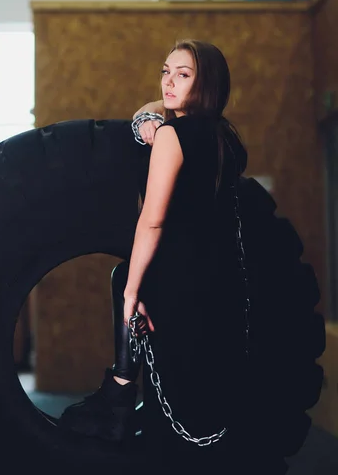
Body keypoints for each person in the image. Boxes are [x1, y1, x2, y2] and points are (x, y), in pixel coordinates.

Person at [58, 39, 289, 474]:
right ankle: (122, 396)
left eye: (183, 75)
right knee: (202, 394)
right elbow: (174, 112)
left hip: (179, 279)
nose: (168, 81)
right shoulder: (226, 139)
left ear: (206, 84)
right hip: (220, 281)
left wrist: (132, 292)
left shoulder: (172, 136)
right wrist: (150, 112)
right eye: (165, 71)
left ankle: (120, 399)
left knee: (174, 405)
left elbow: (153, 221)